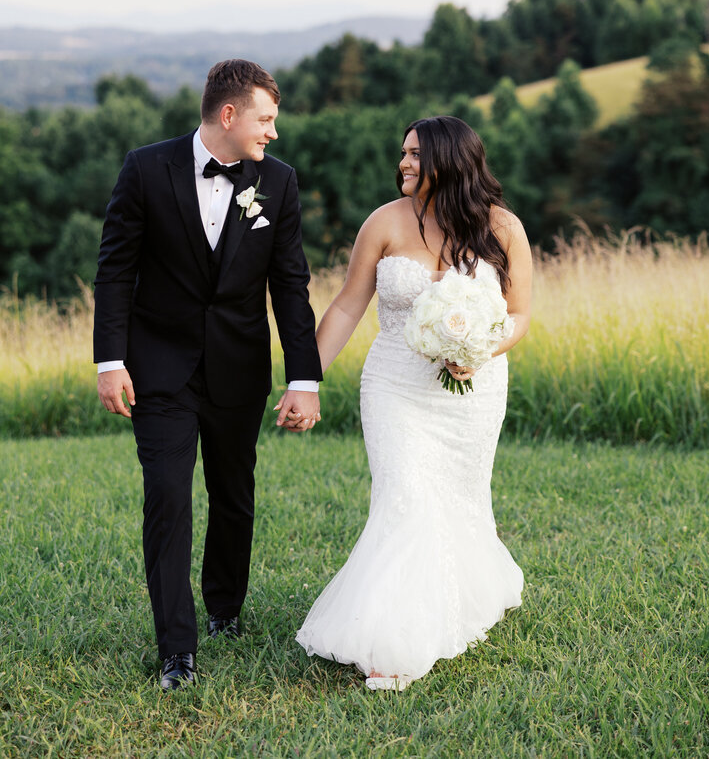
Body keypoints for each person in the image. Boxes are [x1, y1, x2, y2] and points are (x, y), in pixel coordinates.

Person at [93, 59, 323, 690]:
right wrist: (110, 361)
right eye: (266, 118)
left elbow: (292, 288)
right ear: (229, 115)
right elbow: (115, 270)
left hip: (237, 370)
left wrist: (305, 376)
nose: (274, 132)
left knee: (233, 496)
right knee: (167, 500)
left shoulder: (278, 183)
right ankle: (176, 648)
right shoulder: (146, 168)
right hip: (159, 371)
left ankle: (225, 608)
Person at [293, 115, 532, 691]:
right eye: (402, 152)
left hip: (474, 391)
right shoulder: (383, 223)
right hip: (395, 387)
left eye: (415, 154)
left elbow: (519, 313)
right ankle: (395, 639)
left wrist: (482, 348)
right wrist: (307, 379)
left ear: (451, 160)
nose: (402, 163)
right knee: (405, 499)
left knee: (459, 500)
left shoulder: (502, 227)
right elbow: (349, 306)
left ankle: (457, 603)